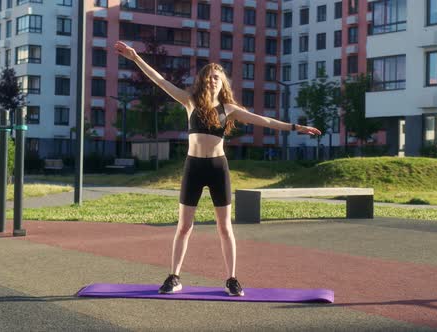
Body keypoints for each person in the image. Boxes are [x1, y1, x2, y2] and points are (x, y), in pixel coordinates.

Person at [114, 41, 321, 296]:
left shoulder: (229, 109)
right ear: (202, 81)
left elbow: (264, 120)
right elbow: (160, 81)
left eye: (217, 77)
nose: (212, 80)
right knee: (184, 226)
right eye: (209, 77)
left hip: (217, 168)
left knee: (224, 227)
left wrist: (297, 128)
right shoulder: (189, 101)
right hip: (193, 167)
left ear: (223, 83)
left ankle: (232, 279)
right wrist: (135, 58)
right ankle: (174, 277)